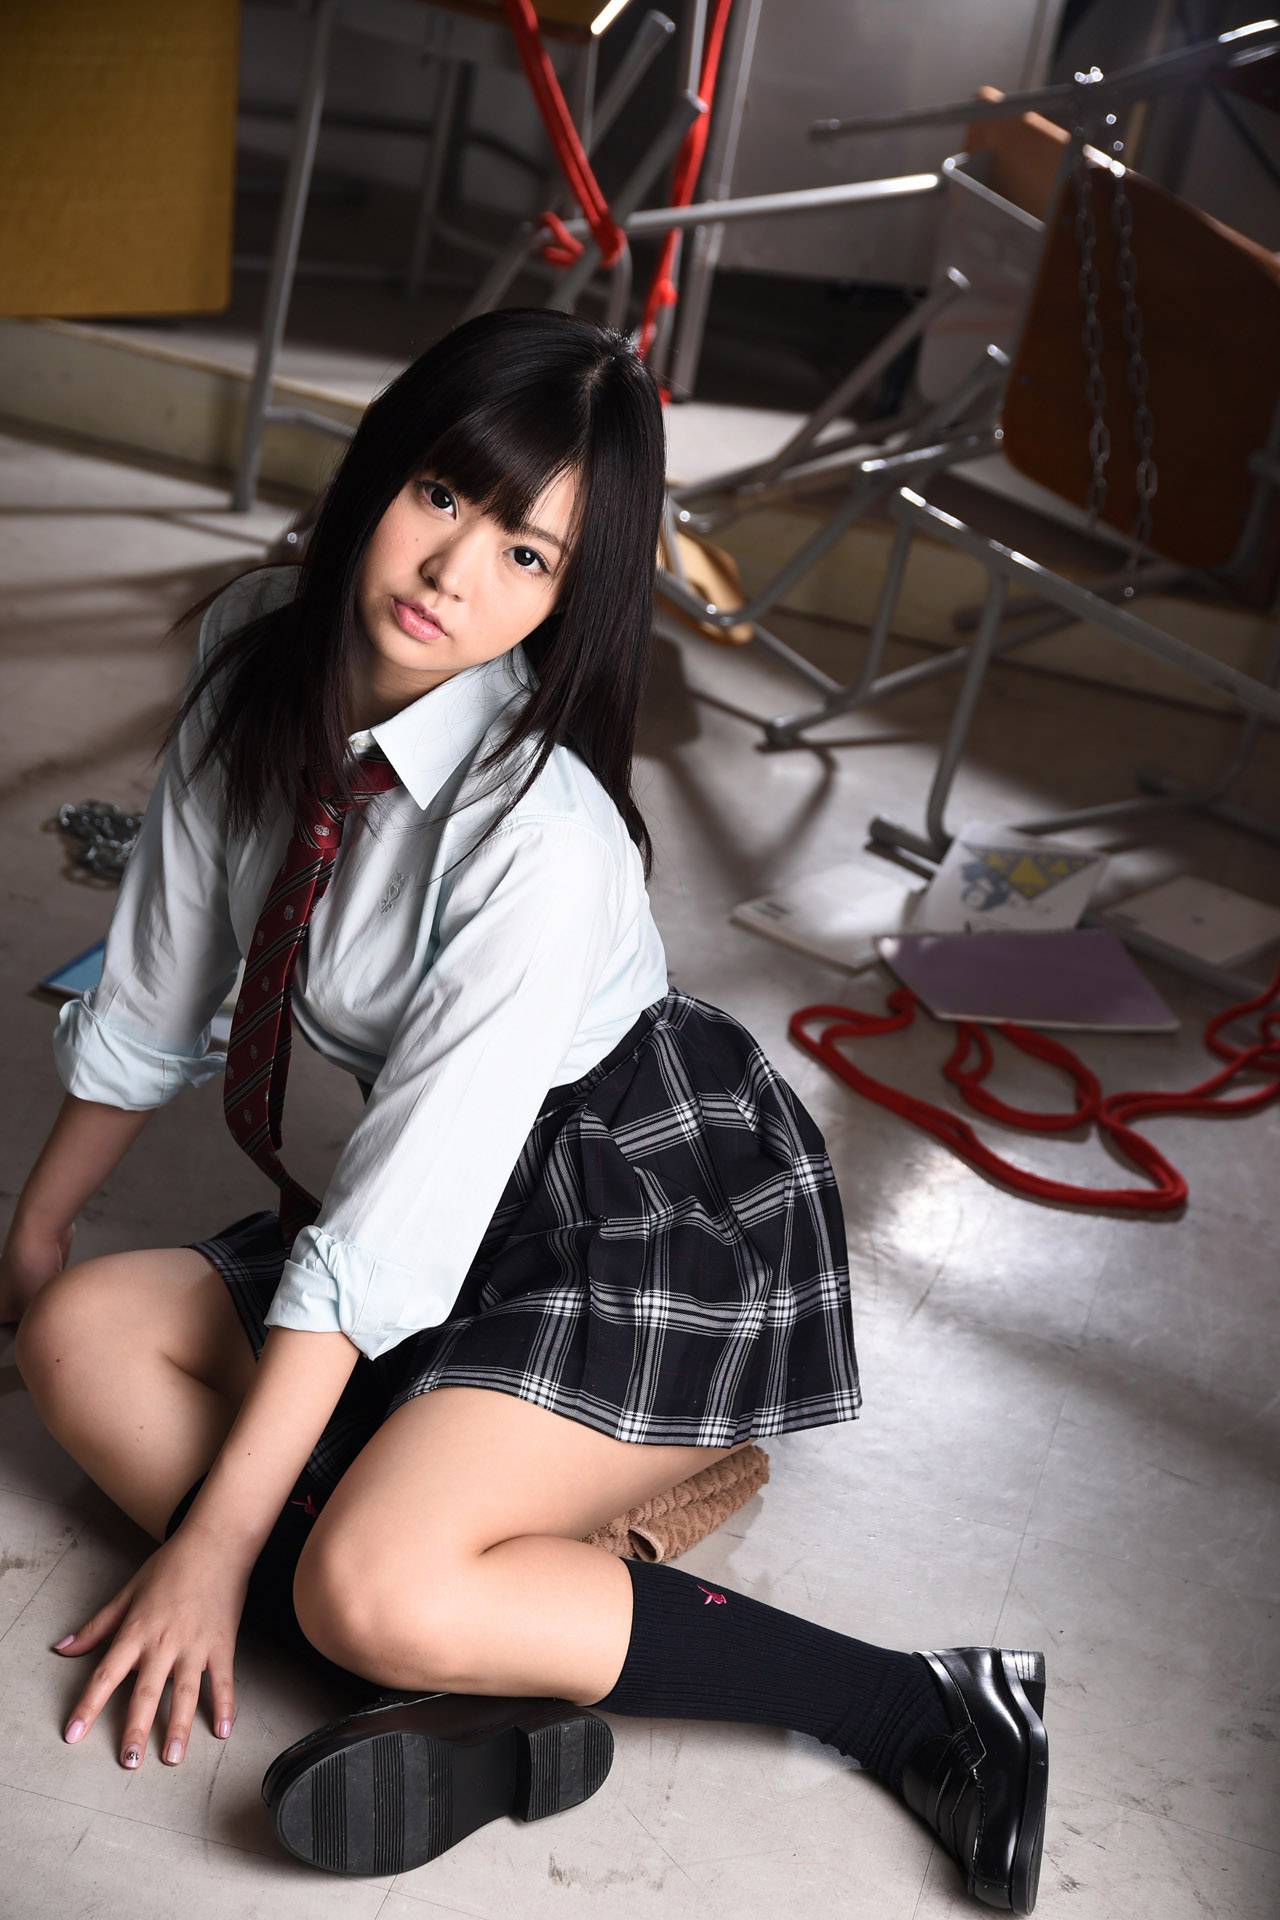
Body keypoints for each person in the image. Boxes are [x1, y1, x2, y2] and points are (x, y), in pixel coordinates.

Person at [2, 308, 1047, 1910]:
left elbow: (387, 1232)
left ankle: (923, 1705)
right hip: (448, 1189)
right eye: (442, 494)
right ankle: (478, 1667)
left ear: (569, 599)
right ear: (381, 466)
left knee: (365, 1581)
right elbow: (161, 975)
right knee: (76, 1339)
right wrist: (39, 1229)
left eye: (526, 556)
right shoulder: (256, 646)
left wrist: (209, 1551)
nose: (453, 572)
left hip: (642, 1207)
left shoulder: (541, 843)